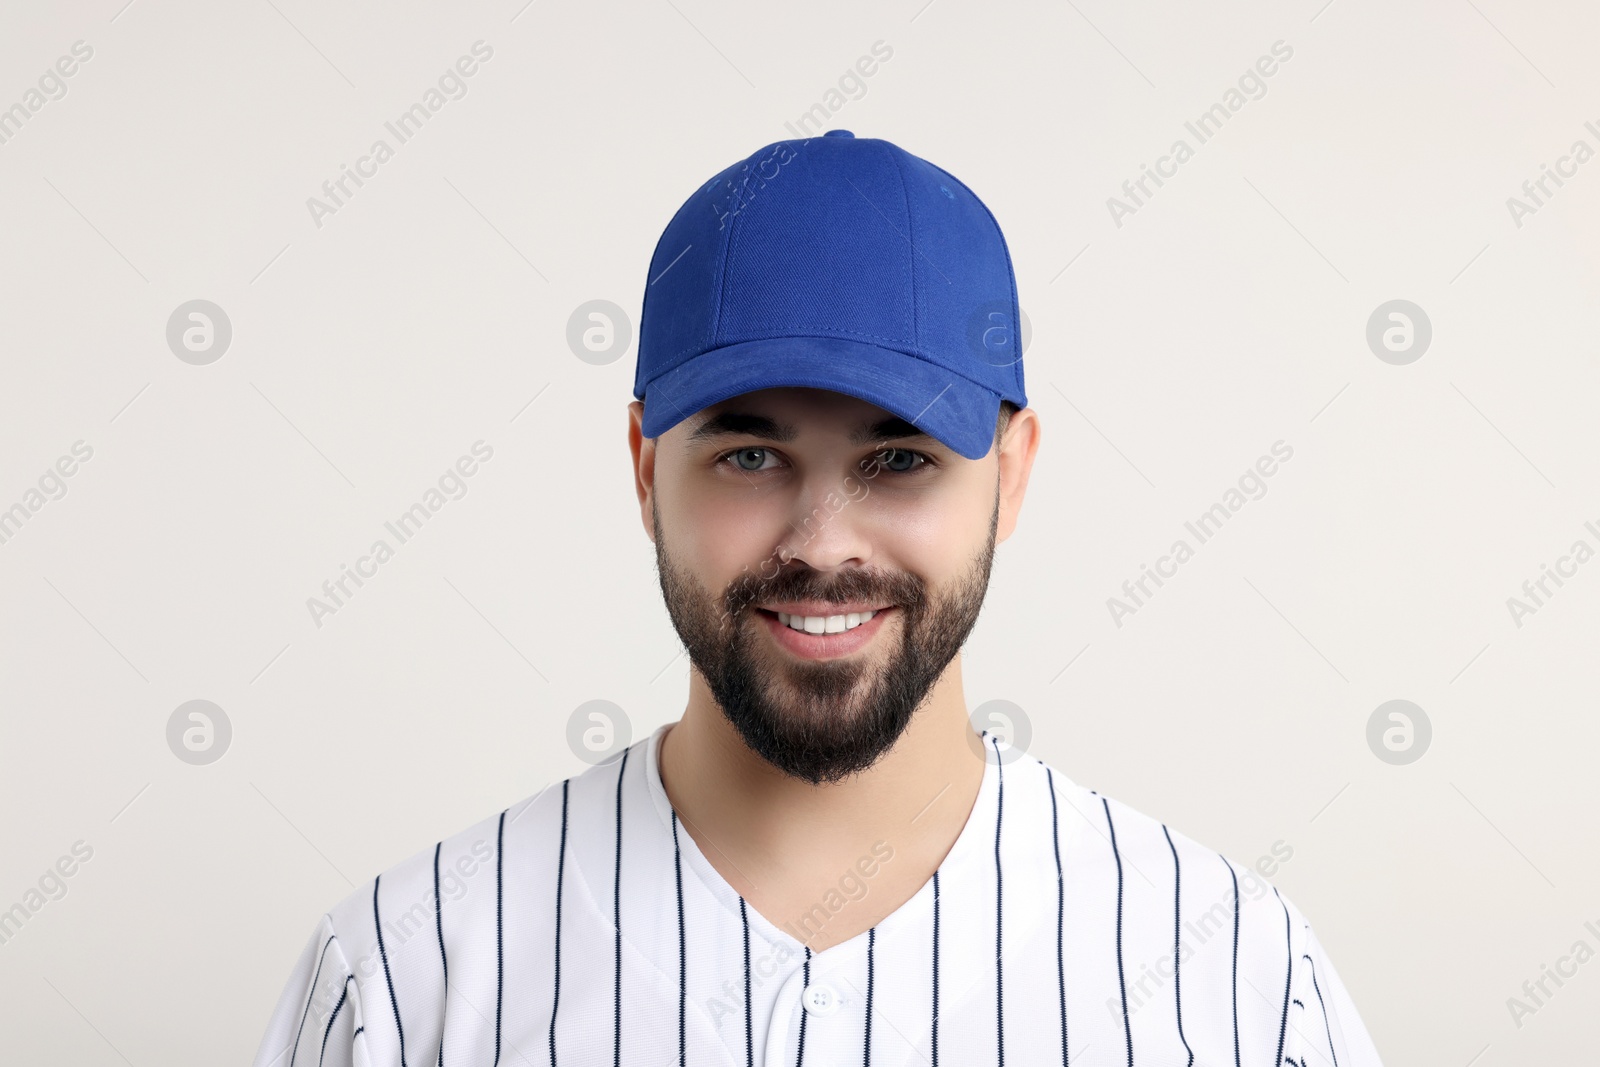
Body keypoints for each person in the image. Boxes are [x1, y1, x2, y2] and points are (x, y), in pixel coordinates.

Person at [253, 130, 1383, 1067]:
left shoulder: (1233, 977)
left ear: (1015, 473)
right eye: (750, 456)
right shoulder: (408, 976)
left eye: (899, 460)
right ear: (646, 470)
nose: (821, 543)